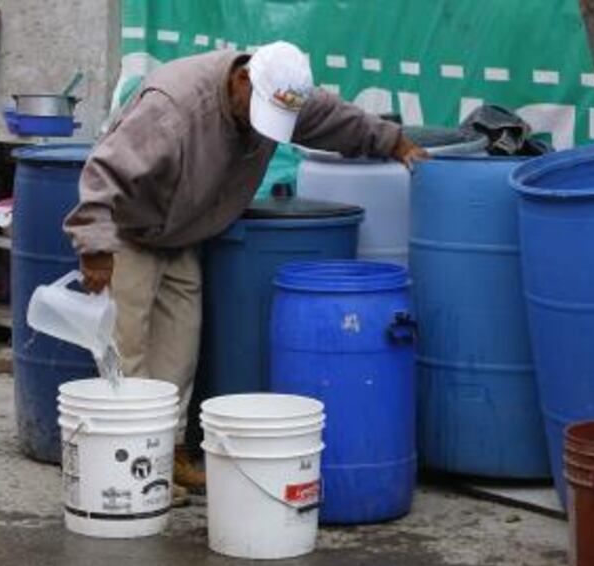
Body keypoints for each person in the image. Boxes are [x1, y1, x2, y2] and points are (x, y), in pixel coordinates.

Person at [63, 41, 427, 503]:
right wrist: (94, 246)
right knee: (129, 353)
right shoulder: (173, 108)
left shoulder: (280, 89)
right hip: (128, 231)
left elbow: (333, 119)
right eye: (257, 109)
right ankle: (135, 466)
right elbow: (103, 170)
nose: (263, 125)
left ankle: (169, 456)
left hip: (182, 232)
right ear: (241, 81)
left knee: (179, 352)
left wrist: (394, 141)